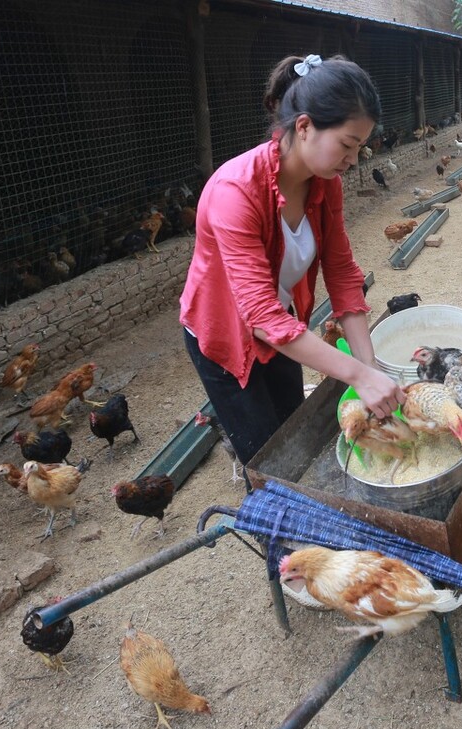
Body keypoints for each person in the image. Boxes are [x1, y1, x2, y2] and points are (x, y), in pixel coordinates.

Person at [180, 53, 403, 472]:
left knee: (294, 429)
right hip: (226, 335)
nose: (353, 159)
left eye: (359, 148)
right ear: (304, 127)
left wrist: (369, 367)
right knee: (270, 462)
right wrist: (358, 376)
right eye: (347, 145)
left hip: (283, 326)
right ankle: (277, 535)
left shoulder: (325, 184)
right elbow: (259, 316)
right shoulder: (235, 192)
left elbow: (341, 274)